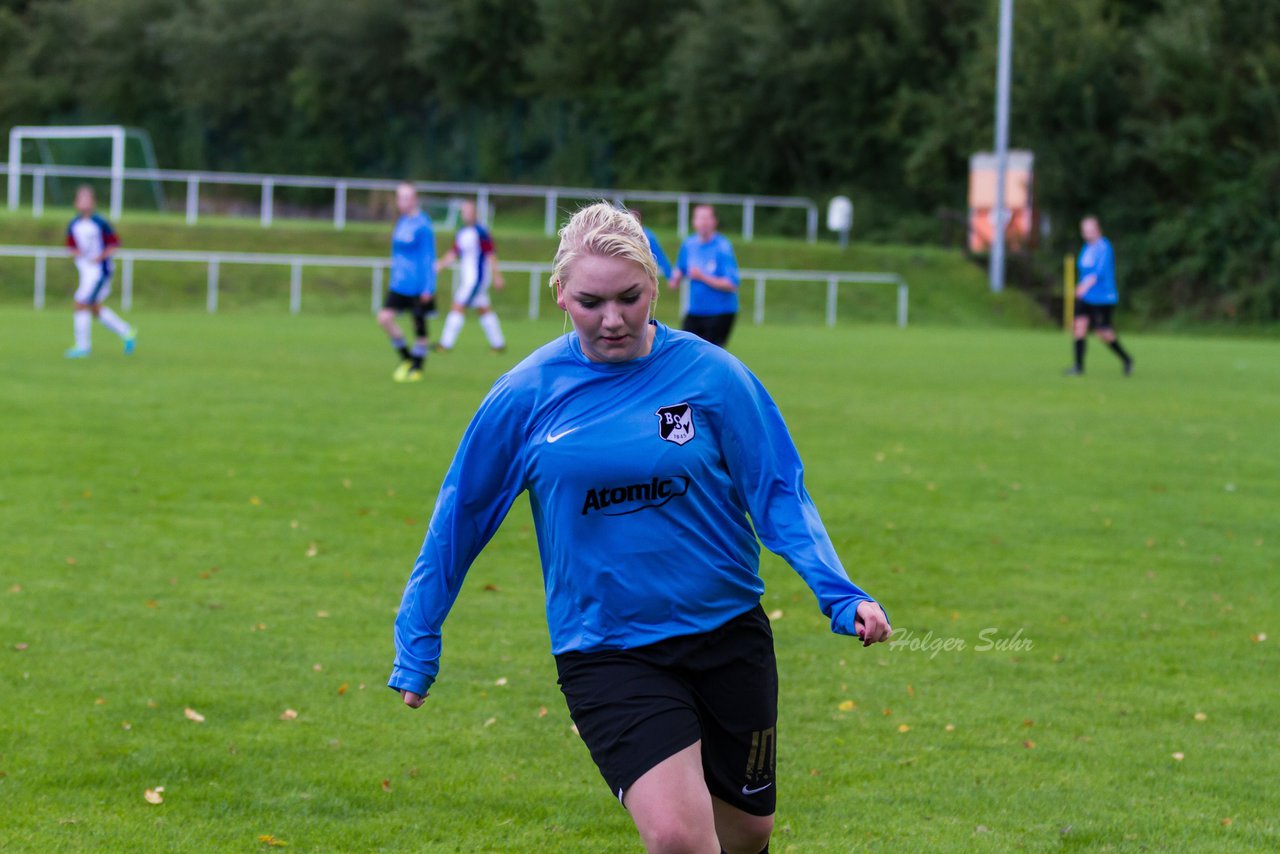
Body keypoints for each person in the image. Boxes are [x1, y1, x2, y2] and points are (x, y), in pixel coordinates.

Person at [389, 203, 892, 854]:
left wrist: (840, 593)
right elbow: (459, 518)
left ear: (656, 286)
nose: (613, 319)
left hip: (728, 635)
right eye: (591, 301)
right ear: (561, 296)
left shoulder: (714, 377)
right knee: (681, 838)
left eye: (629, 297)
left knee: (745, 833)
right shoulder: (526, 396)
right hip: (607, 647)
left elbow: (780, 494)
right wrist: (417, 638)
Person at [64, 185, 135, 359]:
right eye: (81, 199)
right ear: (76, 203)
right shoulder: (74, 224)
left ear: (93, 202)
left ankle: (83, 347)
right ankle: (126, 331)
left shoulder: (100, 222)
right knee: (94, 308)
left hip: (100, 272)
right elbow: (71, 246)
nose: (84, 203)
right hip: (86, 272)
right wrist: (77, 253)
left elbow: (115, 243)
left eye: (87, 199)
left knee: (80, 303)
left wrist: (100, 256)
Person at [378, 182, 437, 383]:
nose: (400, 202)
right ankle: (407, 358)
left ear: (413, 200)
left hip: (418, 285)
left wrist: (429, 287)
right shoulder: (402, 222)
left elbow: (429, 256)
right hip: (399, 284)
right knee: (384, 318)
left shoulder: (423, 224)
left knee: (419, 327)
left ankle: (417, 368)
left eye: (404, 197)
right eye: (398, 197)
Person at [433, 199, 506, 353]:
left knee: (457, 306)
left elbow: (490, 255)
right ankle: (498, 344)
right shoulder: (462, 232)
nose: (465, 215)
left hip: (476, 280)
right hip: (469, 279)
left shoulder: (481, 232)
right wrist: (439, 265)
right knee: (484, 309)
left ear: (474, 213)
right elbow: (454, 253)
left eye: (468, 211)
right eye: (463, 212)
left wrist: (497, 276)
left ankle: (445, 344)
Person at [1067, 215, 1133, 376]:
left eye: (1091, 229)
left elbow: (1099, 272)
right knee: (1079, 327)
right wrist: (1082, 288)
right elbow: (1084, 271)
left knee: (1103, 333)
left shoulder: (1104, 247)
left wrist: (1084, 286)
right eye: (1085, 230)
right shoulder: (1086, 248)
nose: (1088, 233)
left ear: (1098, 230)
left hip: (1103, 297)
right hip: (1086, 297)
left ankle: (1126, 359)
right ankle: (1078, 366)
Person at [669, 204, 740, 347]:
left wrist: (703, 277)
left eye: (706, 218)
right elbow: (681, 268)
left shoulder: (722, 247)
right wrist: (676, 278)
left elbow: (732, 284)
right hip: (695, 311)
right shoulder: (688, 244)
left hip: (720, 313)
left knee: (710, 358)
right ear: (693, 222)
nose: (703, 222)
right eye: (699, 218)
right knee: (685, 351)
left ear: (714, 221)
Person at [629, 208, 673, 281]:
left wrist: (669, 275)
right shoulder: (624, 235)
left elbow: (659, 255)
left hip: (643, 274)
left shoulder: (648, 236)